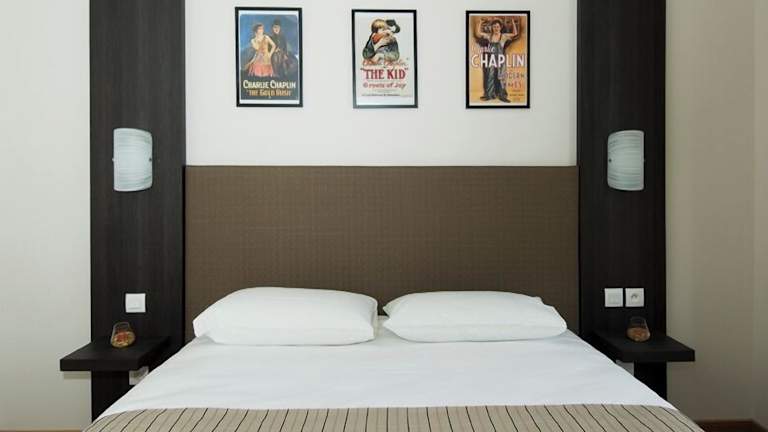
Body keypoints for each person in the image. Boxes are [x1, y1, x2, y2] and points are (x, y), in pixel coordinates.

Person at [473, 18, 519, 103]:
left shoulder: (504, 36)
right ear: (492, 27)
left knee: (501, 77)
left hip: (501, 59)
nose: (496, 28)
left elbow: (515, 33)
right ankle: (489, 95)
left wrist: (513, 22)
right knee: (490, 77)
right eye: (494, 27)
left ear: (500, 27)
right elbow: (478, 33)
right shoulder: (489, 36)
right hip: (491, 59)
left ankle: (502, 96)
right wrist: (480, 22)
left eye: (497, 26)